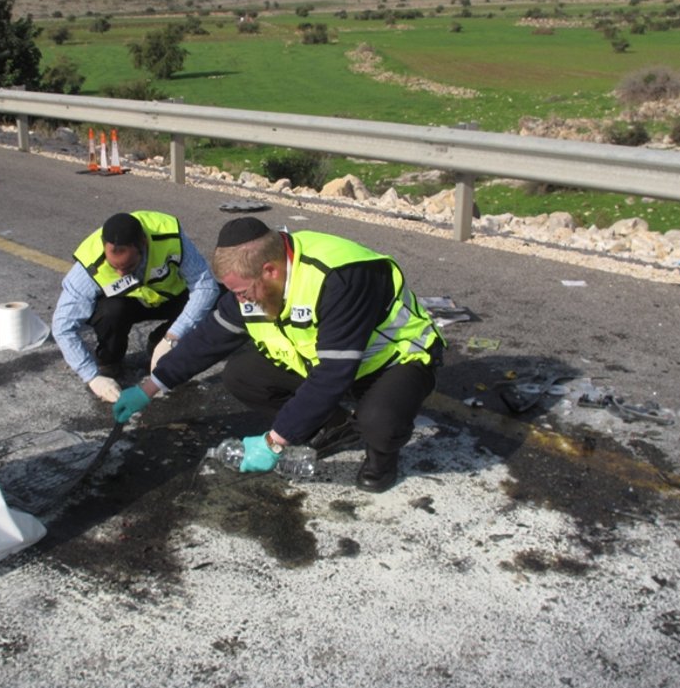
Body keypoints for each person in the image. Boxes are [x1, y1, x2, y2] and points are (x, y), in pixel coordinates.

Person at [113, 217, 444, 492]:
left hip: (394, 360)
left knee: (379, 421)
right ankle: (337, 425)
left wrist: (274, 441)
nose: (240, 301)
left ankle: (382, 458)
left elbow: (332, 375)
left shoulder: (341, 277)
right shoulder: (254, 280)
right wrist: (150, 386)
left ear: (270, 271)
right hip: (326, 362)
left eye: (242, 292)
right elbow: (208, 341)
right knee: (241, 375)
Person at [52, 211, 219, 405]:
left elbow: (205, 286)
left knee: (218, 303)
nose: (121, 273)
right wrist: (91, 376)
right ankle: (110, 360)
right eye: (114, 267)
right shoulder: (90, 262)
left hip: (172, 296)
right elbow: (62, 326)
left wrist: (172, 337)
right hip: (128, 305)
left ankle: (159, 343)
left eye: (129, 266)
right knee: (111, 311)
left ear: (144, 245)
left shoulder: (168, 235)